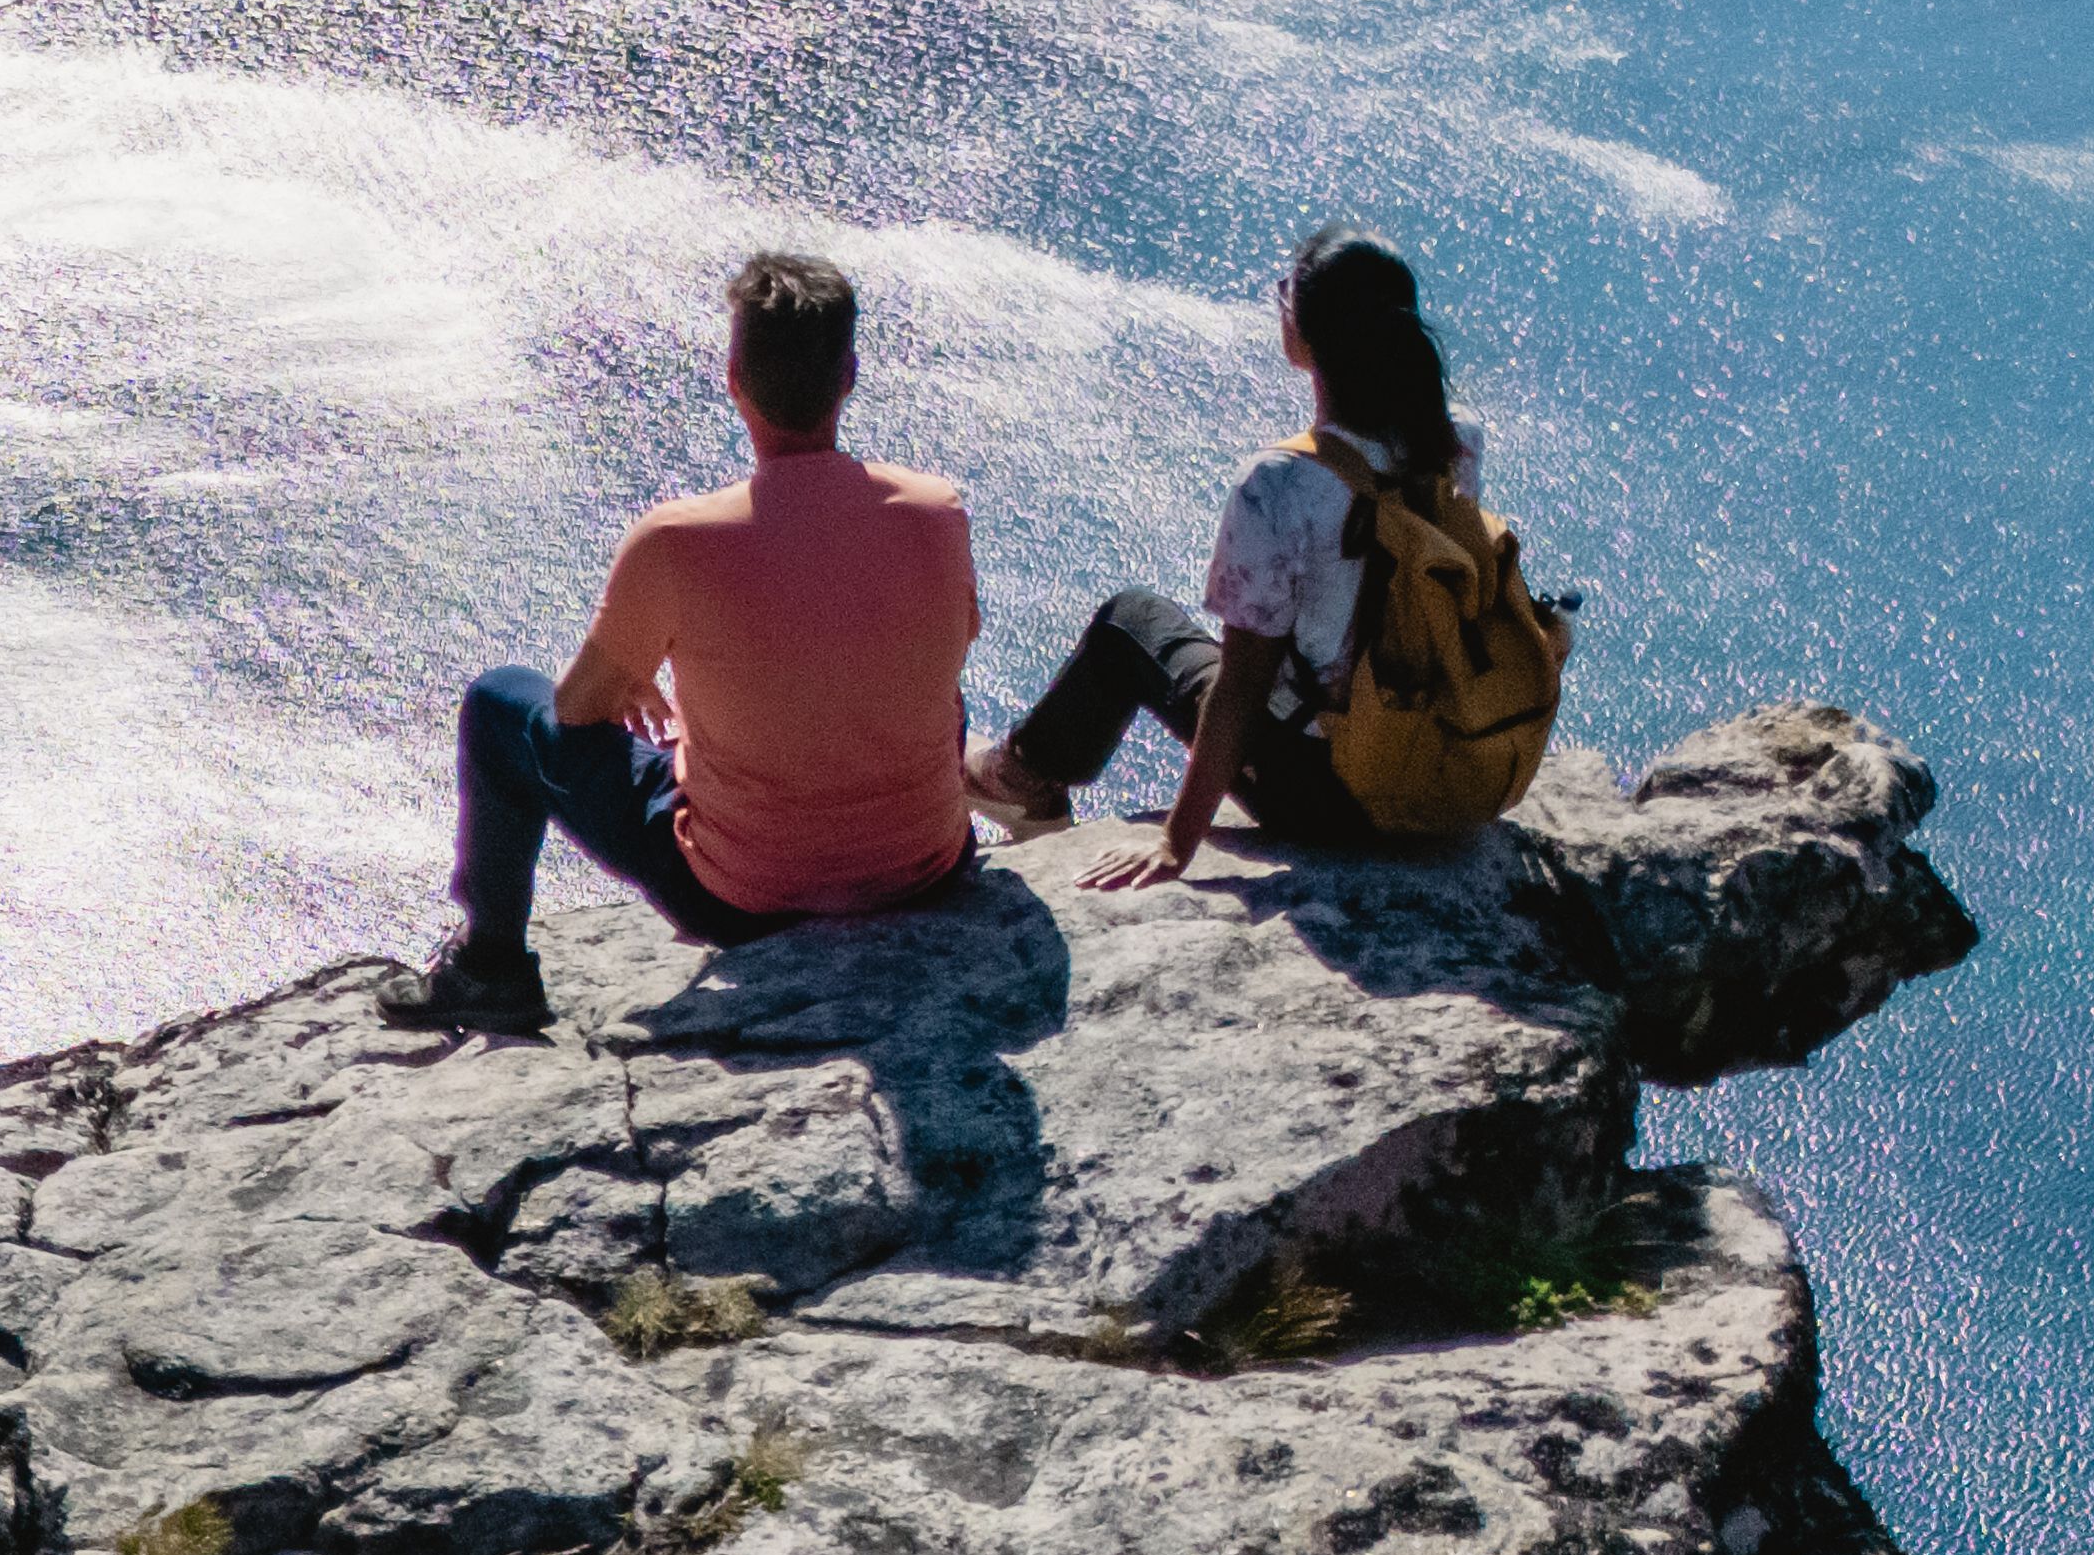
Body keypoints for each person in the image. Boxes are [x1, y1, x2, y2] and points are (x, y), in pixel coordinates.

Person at [419, 251, 983, 1036]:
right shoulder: (936, 509)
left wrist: (635, 682)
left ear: (733, 377)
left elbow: (577, 714)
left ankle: (490, 972)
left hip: (743, 899)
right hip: (927, 868)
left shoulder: (676, 541)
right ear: (849, 375)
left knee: (499, 704)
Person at [972, 230, 1520, 886]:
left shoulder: (1278, 482)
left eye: (1285, 294)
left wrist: (1176, 844)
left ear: (1306, 338)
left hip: (1327, 797)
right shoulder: (1458, 440)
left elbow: (1240, 687)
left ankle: (1021, 782)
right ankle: (1020, 775)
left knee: (1130, 621)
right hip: (1436, 771)